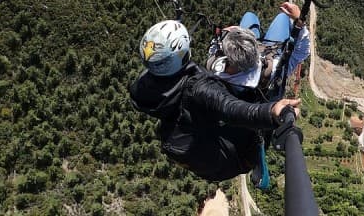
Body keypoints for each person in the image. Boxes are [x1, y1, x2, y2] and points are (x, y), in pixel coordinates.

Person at [128, 19, 300, 187]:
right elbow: (232, 108)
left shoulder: (141, 87)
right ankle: (253, 157)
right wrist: (272, 111)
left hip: (201, 153)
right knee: (254, 130)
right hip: (234, 159)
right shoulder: (199, 87)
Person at [207, 2, 311, 101]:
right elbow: (302, 52)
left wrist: (224, 37)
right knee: (283, 17)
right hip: (269, 52)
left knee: (249, 16)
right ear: (255, 50)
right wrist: (299, 21)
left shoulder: (215, 68)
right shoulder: (273, 70)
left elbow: (214, 48)